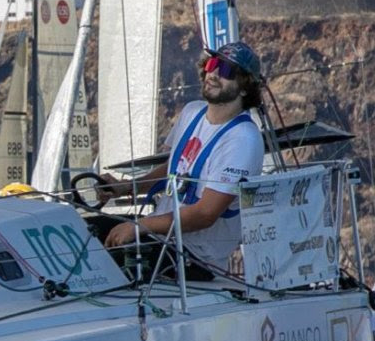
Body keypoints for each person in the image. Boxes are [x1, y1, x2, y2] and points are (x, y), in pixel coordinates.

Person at [104, 40, 268, 271]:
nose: (213, 73)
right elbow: (174, 168)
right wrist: (126, 187)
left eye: (226, 70)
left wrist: (140, 226)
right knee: (90, 230)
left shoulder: (244, 139)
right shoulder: (192, 112)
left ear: (244, 87)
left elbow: (205, 214)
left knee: (103, 256)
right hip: (163, 240)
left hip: (195, 258)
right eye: (212, 64)